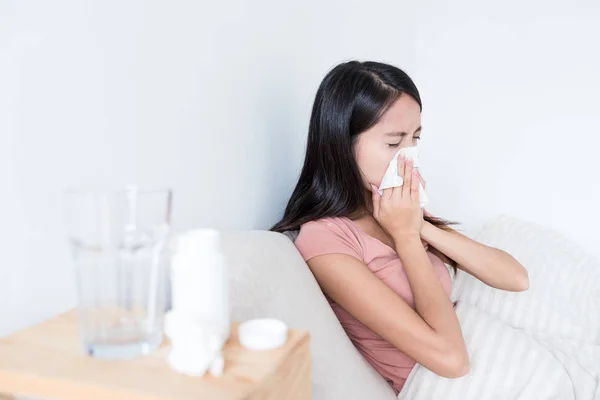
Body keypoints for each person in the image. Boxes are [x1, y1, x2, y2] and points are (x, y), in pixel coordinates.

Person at [271, 61, 530, 394]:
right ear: (341, 146)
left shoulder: (397, 213)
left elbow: (516, 278)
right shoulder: (325, 240)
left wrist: (420, 227)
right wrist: (406, 237)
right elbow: (452, 361)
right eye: (394, 143)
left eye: (415, 139)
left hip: (506, 362)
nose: (408, 157)